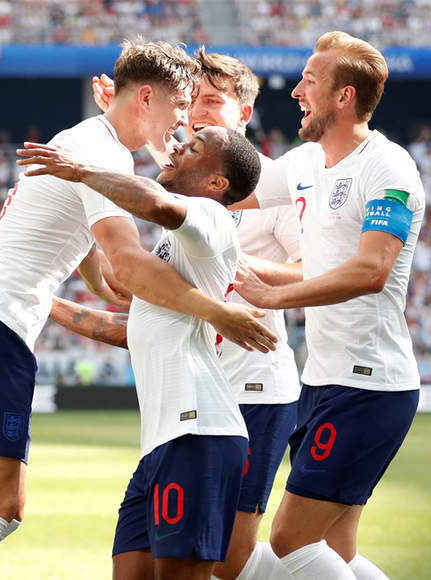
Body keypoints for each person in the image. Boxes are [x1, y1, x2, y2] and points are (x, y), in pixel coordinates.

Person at [0, 42, 275, 580]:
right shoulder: (100, 155)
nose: (181, 124)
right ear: (147, 97)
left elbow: (99, 260)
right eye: (178, 107)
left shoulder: (92, 143)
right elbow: (128, 261)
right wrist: (211, 310)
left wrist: (102, 284)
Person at [90, 48, 302, 580]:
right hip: (197, 383)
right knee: (191, 559)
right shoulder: (188, 175)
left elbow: (317, 268)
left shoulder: (273, 187)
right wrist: (124, 123)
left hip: (254, 384)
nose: (196, 115)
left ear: (244, 116)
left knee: (227, 559)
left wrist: (242, 276)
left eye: (211, 102)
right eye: (191, 104)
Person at [16, 124, 262, 580]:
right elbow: (138, 327)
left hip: (199, 431)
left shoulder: (212, 218)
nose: (177, 148)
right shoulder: (179, 248)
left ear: (217, 184)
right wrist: (38, 298)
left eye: (195, 148)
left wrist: (81, 171)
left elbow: (154, 202)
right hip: (163, 441)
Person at [230, 31, 426, 580]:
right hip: (323, 380)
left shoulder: (389, 168)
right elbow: (223, 188)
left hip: (368, 385)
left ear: (343, 97)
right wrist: (147, 151)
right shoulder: (305, 163)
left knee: (290, 541)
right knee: (335, 551)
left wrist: (276, 295)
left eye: (309, 82)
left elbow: (372, 270)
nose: (295, 91)